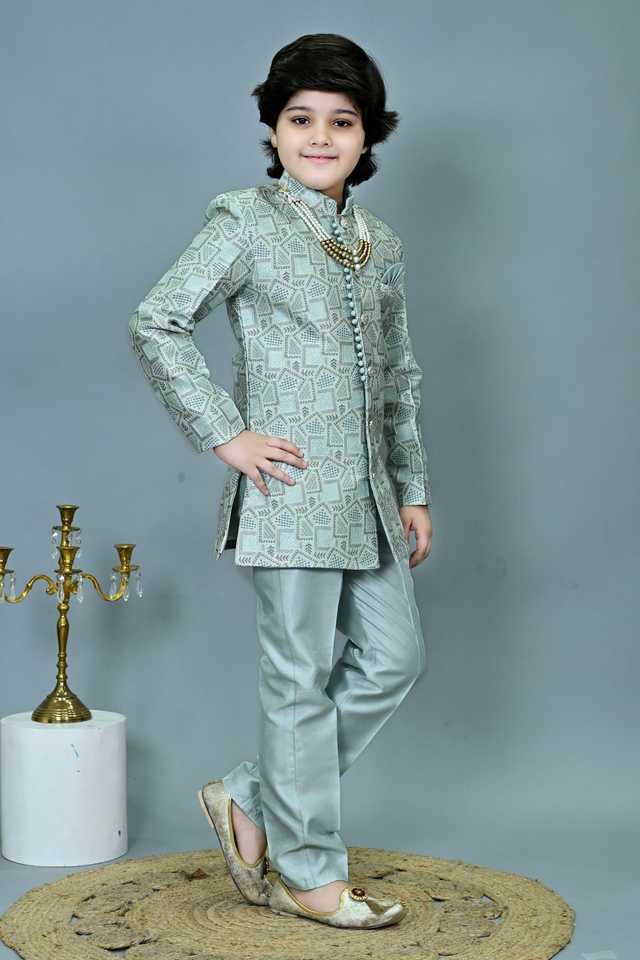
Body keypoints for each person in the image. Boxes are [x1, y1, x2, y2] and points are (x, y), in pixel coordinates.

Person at [128, 32, 433, 930]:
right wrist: (226, 434)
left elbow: (400, 373)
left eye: (341, 122)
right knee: (297, 680)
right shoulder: (246, 221)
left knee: (393, 659)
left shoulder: (378, 243)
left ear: (368, 137)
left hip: (370, 497)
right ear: (273, 128)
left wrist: (411, 486)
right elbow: (158, 321)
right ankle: (309, 873)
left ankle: (251, 798)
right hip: (289, 494)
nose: (320, 137)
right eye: (301, 119)